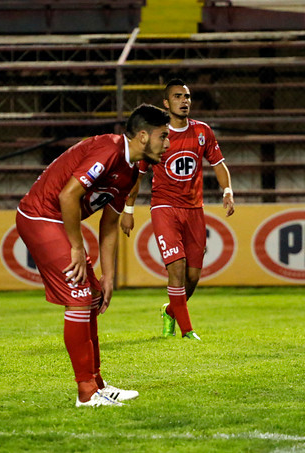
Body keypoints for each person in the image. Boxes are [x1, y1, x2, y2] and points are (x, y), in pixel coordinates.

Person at [16, 104, 170, 407]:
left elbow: (110, 224)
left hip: (56, 220)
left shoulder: (131, 170)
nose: (167, 144)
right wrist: (76, 246)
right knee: (78, 298)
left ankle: (97, 383)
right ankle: (85, 393)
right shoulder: (109, 150)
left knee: (94, 296)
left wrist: (108, 275)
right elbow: (68, 195)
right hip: (40, 217)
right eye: (163, 136)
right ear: (142, 136)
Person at [120, 79, 235, 340]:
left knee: (192, 277)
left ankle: (171, 311)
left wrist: (227, 190)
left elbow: (218, 163)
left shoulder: (203, 131)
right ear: (166, 103)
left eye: (187, 96)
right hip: (164, 207)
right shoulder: (156, 135)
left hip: (194, 209)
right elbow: (137, 176)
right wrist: (128, 210)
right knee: (177, 267)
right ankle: (187, 331)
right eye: (178, 97)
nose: (184, 101)